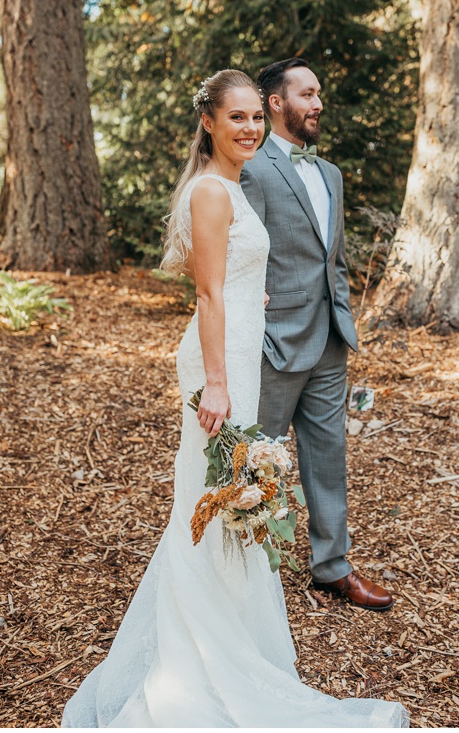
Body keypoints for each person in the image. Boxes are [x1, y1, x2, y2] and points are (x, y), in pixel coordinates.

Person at [60, 70, 405, 727]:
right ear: (209, 122)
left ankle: (234, 630)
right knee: (210, 494)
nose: (249, 128)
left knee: (228, 495)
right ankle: (199, 650)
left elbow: (234, 277)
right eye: (236, 117)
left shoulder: (237, 186)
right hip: (221, 363)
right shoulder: (211, 193)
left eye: (254, 118)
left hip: (245, 349)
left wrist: (258, 297)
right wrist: (215, 381)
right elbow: (208, 294)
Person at [240, 58, 393, 611]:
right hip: (274, 343)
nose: (318, 103)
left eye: (319, 93)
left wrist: (344, 317)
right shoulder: (252, 169)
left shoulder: (330, 173)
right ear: (276, 103)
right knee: (258, 460)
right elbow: (243, 261)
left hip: (330, 341)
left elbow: (338, 261)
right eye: (307, 94)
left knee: (328, 457)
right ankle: (247, 574)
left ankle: (332, 568)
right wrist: (252, 333)